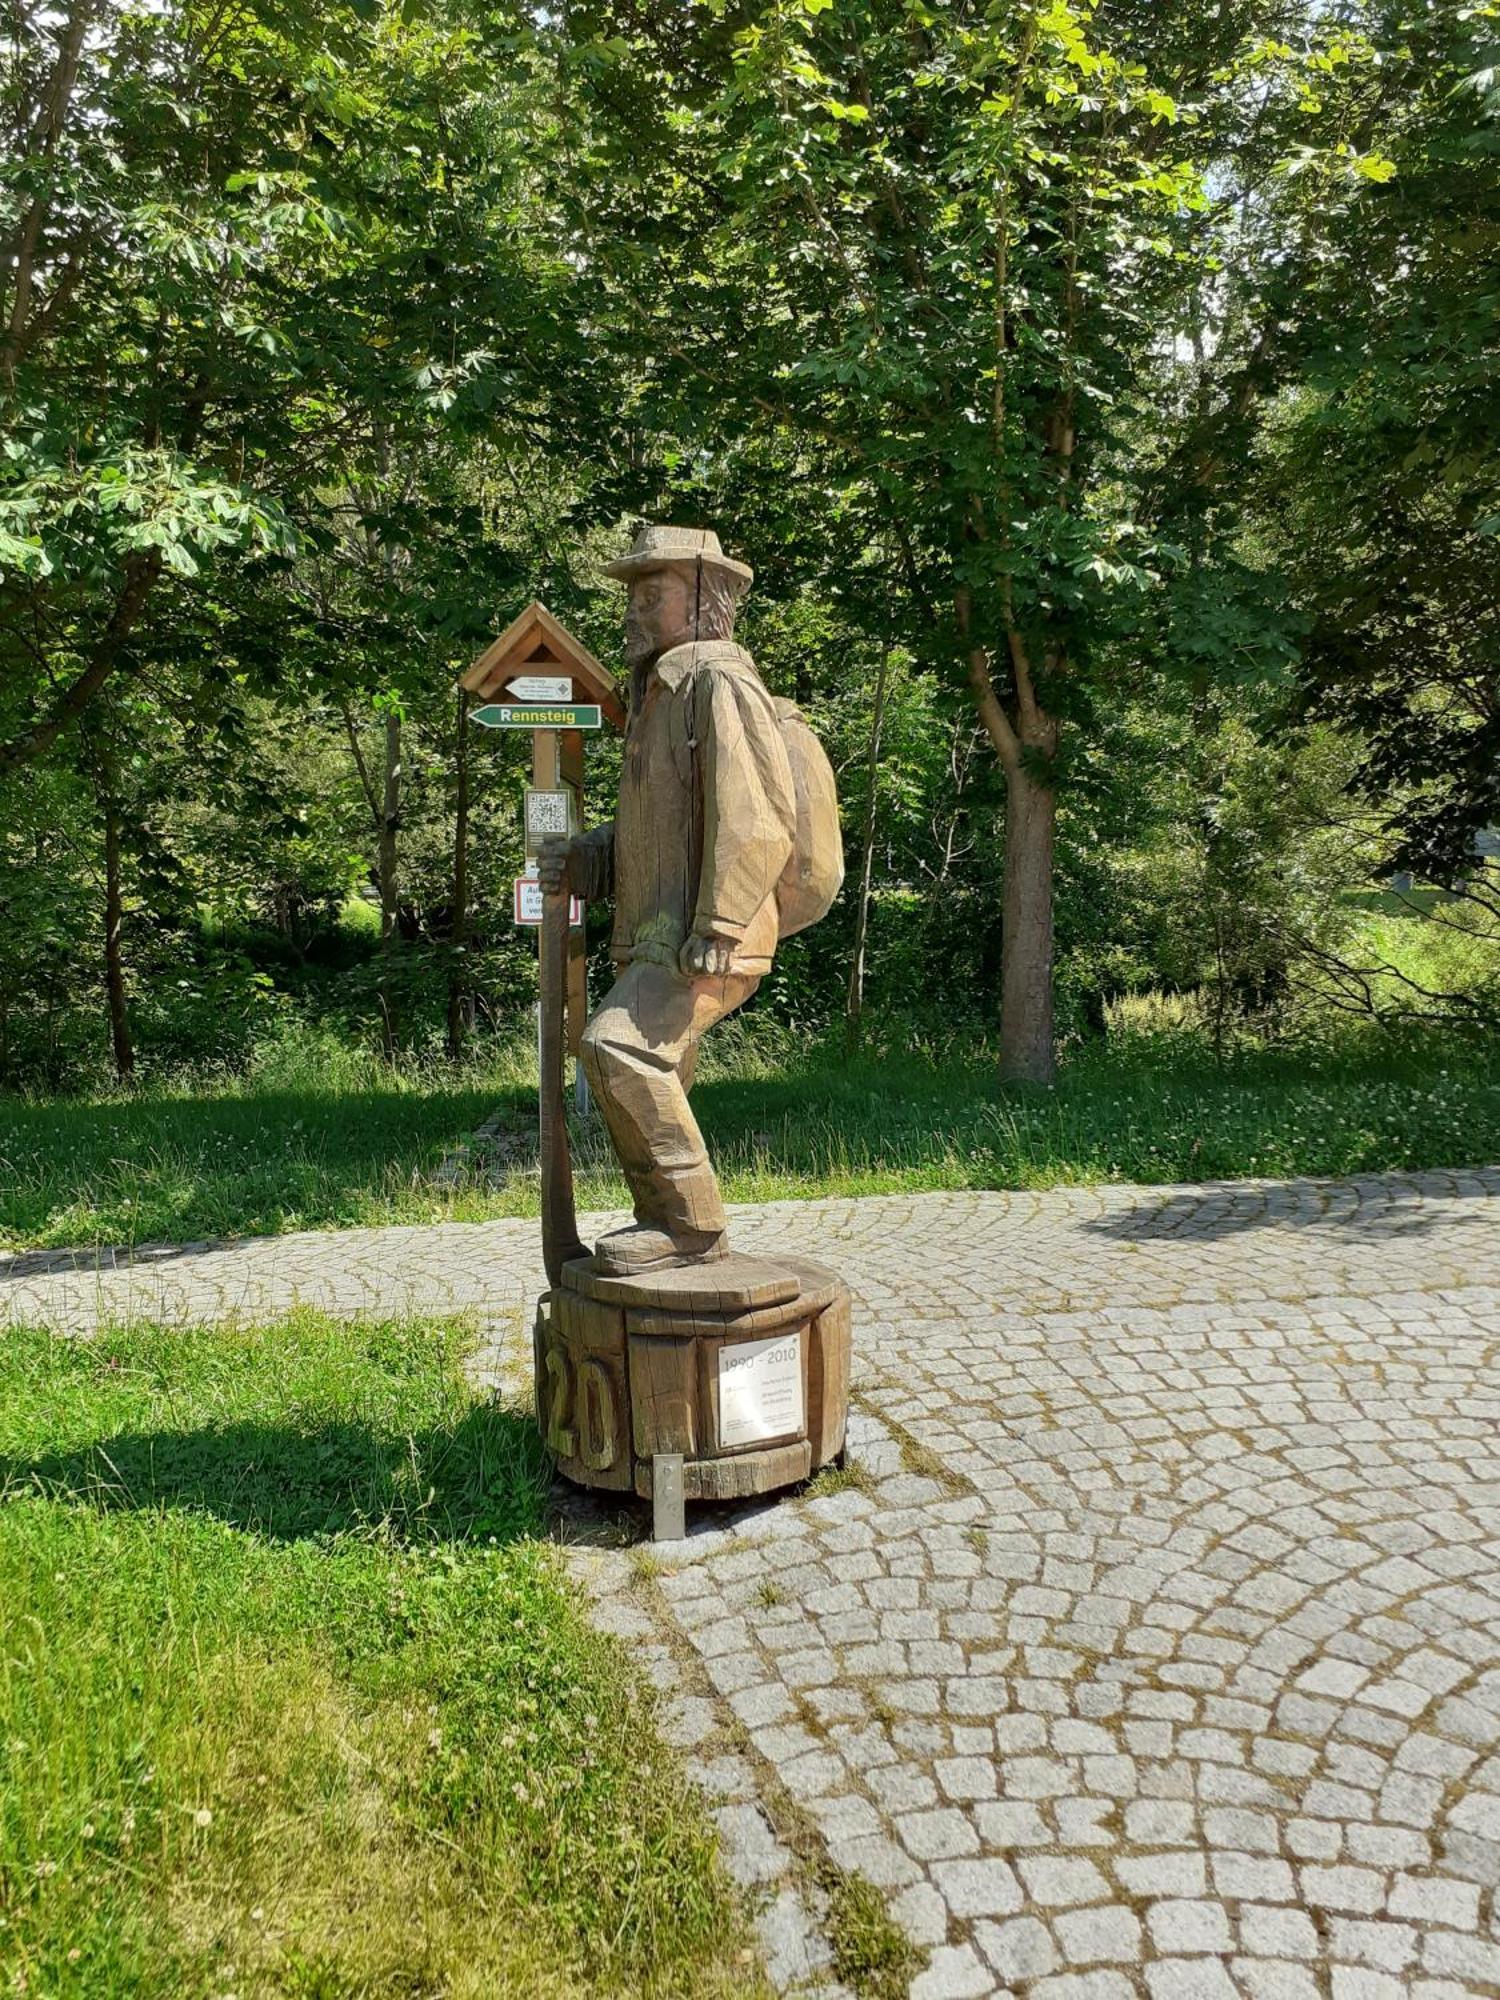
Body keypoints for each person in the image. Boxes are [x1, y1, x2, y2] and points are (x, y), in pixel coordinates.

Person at [538, 525, 796, 1274]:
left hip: (708, 933)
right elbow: (655, 824)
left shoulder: (720, 681)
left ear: (703, 600)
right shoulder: (657, 696)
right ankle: (663, 1220)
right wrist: (588, 859)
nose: (634, 612)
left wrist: (720, 919)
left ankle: (694, 1227)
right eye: (632, 597)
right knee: (654, 1076)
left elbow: (756, 815)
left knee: (619, 1049)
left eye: (653, 596)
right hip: (657, 934)